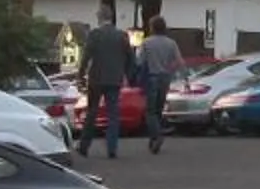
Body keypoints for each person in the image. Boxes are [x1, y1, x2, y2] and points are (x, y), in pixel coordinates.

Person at [76, 8, 135, 160]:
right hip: (115, 79)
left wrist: (80, 75)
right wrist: (128, 75)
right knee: (113, 114)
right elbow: (130, 57)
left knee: (92, 112)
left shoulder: (95, 34)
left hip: (96, 78)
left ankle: (84, 146)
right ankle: (112, 148)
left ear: (100, 18)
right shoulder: (122, 35)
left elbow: (86, 56)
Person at [135, 19, 184, 153]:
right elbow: (179, 61)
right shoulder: (171, 43)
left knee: (150, 111)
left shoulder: (147, 43)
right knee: (158, 109)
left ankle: (157, 136)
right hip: (165, 78)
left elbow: (139, 61)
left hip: (152, 77)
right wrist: (170, 70)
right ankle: (153, 140)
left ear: (152, 28)